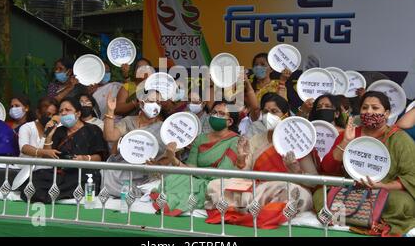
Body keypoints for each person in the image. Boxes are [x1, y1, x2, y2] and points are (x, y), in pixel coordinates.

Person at [205, 94, 316, 228]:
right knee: (216, 184)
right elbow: (243, 176)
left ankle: (250, 210)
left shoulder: (298, 141)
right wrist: (241, 160)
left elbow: (313, 182)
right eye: (265, 111)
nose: (268, 115)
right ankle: (253, 208)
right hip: (258, 188)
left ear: (285, 115)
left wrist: (297, 172)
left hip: (283, 189)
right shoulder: (256, 139)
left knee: (295, 193)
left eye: (274, 111)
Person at [313, 91, 415, 236]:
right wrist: (346, 142)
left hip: (385, 192)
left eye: (375, 108)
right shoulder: (350, 133)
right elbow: (328, 169)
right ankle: (358, 218)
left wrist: (383, 186)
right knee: (319, 196)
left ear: (386, 113)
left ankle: (361, 219)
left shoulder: (400, 139)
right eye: (365, 108)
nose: (369, 111)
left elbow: (411, 177)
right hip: (351, 190)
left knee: (401, 203)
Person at [150, 100, 241, 216]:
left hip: (215, 184)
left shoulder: (235, 141)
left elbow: (222, 173)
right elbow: (190, 169)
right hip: (195, 178)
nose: (215, 116)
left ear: (230, 121)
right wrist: (173, 159)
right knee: (174, 178)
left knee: (198, 187)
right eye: (214, 112)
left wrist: (197, 173)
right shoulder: (200, 139)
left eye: (221, 114)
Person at [20, 97, 108, 203]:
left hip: (83, 173)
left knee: (83, 181)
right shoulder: (59, 131)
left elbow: (99, 157)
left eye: (68, 110)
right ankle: (55, 194)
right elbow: (48, 158)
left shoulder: (92, 129)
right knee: (34, 181)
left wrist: (84, 158)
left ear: (78, 113)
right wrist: (49, 135)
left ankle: (54, 194)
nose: (64, 113)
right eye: (61, 111)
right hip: (60, 173)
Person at [103, 89, 166, 197]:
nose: (155, 105)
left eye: (159, 103)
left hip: (150, 171)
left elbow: (171, 156)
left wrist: (157, 165)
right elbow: (110, 136)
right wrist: (110, 111)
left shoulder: (163, 128)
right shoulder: (129, 121)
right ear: (141, 103)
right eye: (151, 101)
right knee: (108, 172)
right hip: (127, 169)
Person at [0, 97, 60, 187]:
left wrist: (49, 133)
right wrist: (44, 152)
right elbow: (24, 148)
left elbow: (48, 158)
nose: (50, 118)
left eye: (53, 116)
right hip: (22, 167)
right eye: (48, 114)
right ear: (38, 113)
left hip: (43, 170)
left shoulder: (57, 129)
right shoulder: (27, 127)